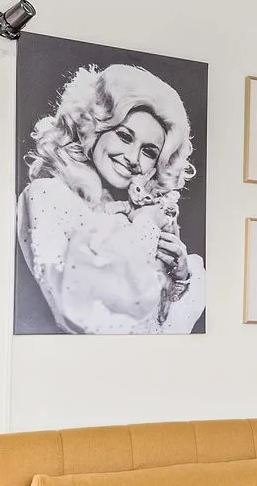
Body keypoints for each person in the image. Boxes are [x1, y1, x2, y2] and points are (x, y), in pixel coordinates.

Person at [17, 63, 205, 334]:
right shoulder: (48, 195)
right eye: (125, 137)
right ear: (94, 127)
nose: (132, 158)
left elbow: (158, 331)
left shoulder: (134, 214)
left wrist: (179, 279)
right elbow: (80, 315)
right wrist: (145, 228)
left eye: (149, 152)